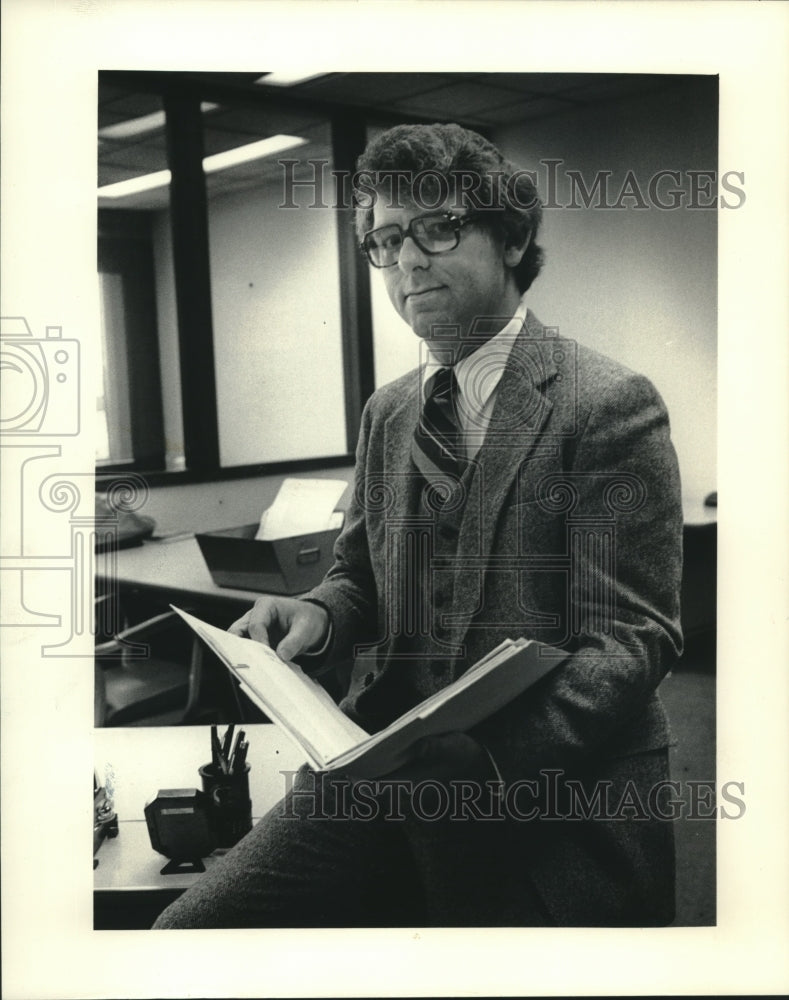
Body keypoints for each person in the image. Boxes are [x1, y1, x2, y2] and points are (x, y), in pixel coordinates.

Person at [154, 122, 683, 929]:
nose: (406, 260)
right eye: (385, 239)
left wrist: (492, 757)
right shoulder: (389, 410)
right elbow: (358, 574)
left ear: (509, 238)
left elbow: (631, 638)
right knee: (187, 937)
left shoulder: (605, 403)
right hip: (378, 767)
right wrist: (318, 613)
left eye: (437, 228)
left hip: (543, 794)